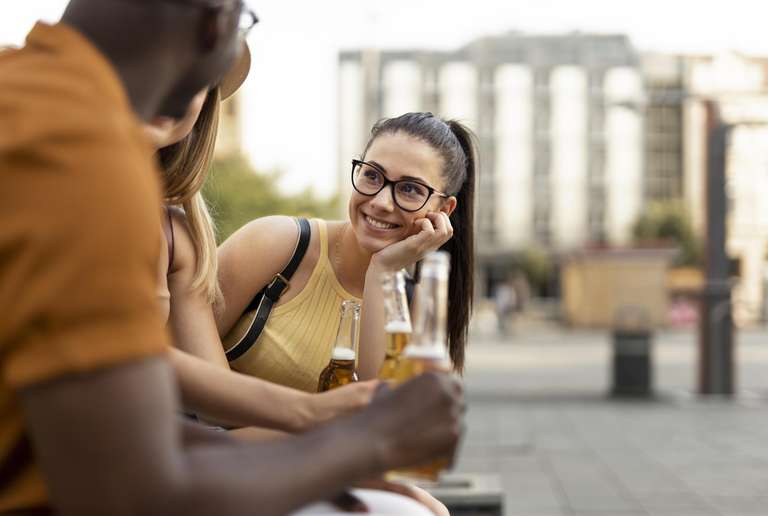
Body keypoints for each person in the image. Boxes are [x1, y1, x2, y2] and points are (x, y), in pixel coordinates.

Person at [0, 1, 463, 514]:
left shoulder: (27, 93)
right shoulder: (88, 159)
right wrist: (358, 445)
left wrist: (316, 419)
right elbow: (135, 485)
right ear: (215, 21)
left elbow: (135, 385)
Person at [145, 47, 377, 433]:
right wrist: (316, 418)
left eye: (196, 83)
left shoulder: (179, 233)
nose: (175, 94)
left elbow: (217, 403)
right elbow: (118, 360)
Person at [217, 112, 477, 391]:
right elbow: (181, 363)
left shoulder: (413, 309)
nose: (381, 202)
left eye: (410, 189)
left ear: (443, 210)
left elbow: (375, 416)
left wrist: (383, 269)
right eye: (372, 175)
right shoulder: (277, 244)